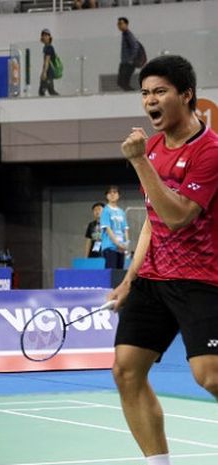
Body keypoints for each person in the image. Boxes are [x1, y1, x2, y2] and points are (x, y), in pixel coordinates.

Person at [108, 55, 218, 465]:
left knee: (211, 375)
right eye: (145, 93)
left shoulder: (209, 152)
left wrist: (137, 162)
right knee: (126, 370)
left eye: (160, 92)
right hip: (154, 277)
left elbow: (177, 217)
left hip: (201, 278)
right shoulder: (152, 146)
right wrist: (130, 278)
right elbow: (153, 221)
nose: (150, 101)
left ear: (187, 95)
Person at [100, 185, 129, 269]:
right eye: (109, 193)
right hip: (110, 247)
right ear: (106, 196)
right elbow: (108, 229)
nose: (112, 194)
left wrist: (126, 244)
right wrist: (118, 244)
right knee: (111, 275)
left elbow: (125, 229)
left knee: (119, 275)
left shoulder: (121, 212)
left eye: (115, 192)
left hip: (121, 248)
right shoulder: (105, 211)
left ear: (118, 195)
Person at [117, 17, 140, 92]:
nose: (119, 25)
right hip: (124, 62)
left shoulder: (128, 35)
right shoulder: (124, 34)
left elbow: (135, 47)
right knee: (121, 82)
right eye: (118, 24)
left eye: (121, 23)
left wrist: (131, 59)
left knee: (123, 82)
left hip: (128, 63)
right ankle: (130, 94)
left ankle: (132, 94)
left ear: (126, 24)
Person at [39, 29, 59, 97]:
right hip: (47, 72)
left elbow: (47, 60)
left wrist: (44, 72)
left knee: (46, 91)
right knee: (48, 90)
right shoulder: (46, 47)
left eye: (46, 35)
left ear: (49, 37)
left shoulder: (49, 47)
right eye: (43, 35)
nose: (44, 37)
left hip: (49, 72)